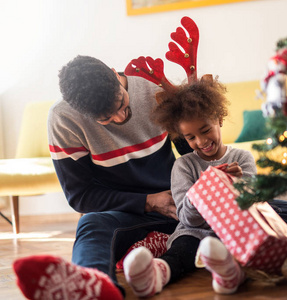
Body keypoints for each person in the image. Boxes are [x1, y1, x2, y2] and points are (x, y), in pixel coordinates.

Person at [13, 55, 192, 300]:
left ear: (113, 73)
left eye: (121, 102)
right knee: (91, 225)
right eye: (105, 118)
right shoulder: (64, 119)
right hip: (124, 212)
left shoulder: (153, 90)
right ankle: (96, 288)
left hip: (177, 205)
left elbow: (191, 150)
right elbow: (80, 196)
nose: (119, 117)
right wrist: (148, 201)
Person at [122, 75, 287, 298]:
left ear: (219, 119)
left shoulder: (242, 158)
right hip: (195, 231)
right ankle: (156, 274)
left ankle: (232, 273)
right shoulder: (183, 166)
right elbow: (187, 218)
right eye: (191, 137)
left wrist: (239, 184)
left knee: (248, 238)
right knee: (182, 250)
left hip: (236, 229)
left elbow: (254, 204)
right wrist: (201, 190)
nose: (201, 141)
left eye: (205, 130)